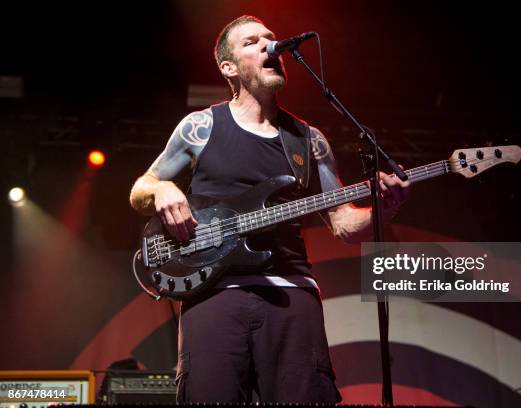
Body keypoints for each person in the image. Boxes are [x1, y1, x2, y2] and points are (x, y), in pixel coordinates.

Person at [129, 15, 410, 404]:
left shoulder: (309, 141)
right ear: (228, 67)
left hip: (291, 293)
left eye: (271, 39)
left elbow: (345, 224)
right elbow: (140, 188)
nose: (269, 46)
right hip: (214, 294)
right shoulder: (201, 126)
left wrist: (384, 208)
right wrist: (161, 189)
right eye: (252, 42)